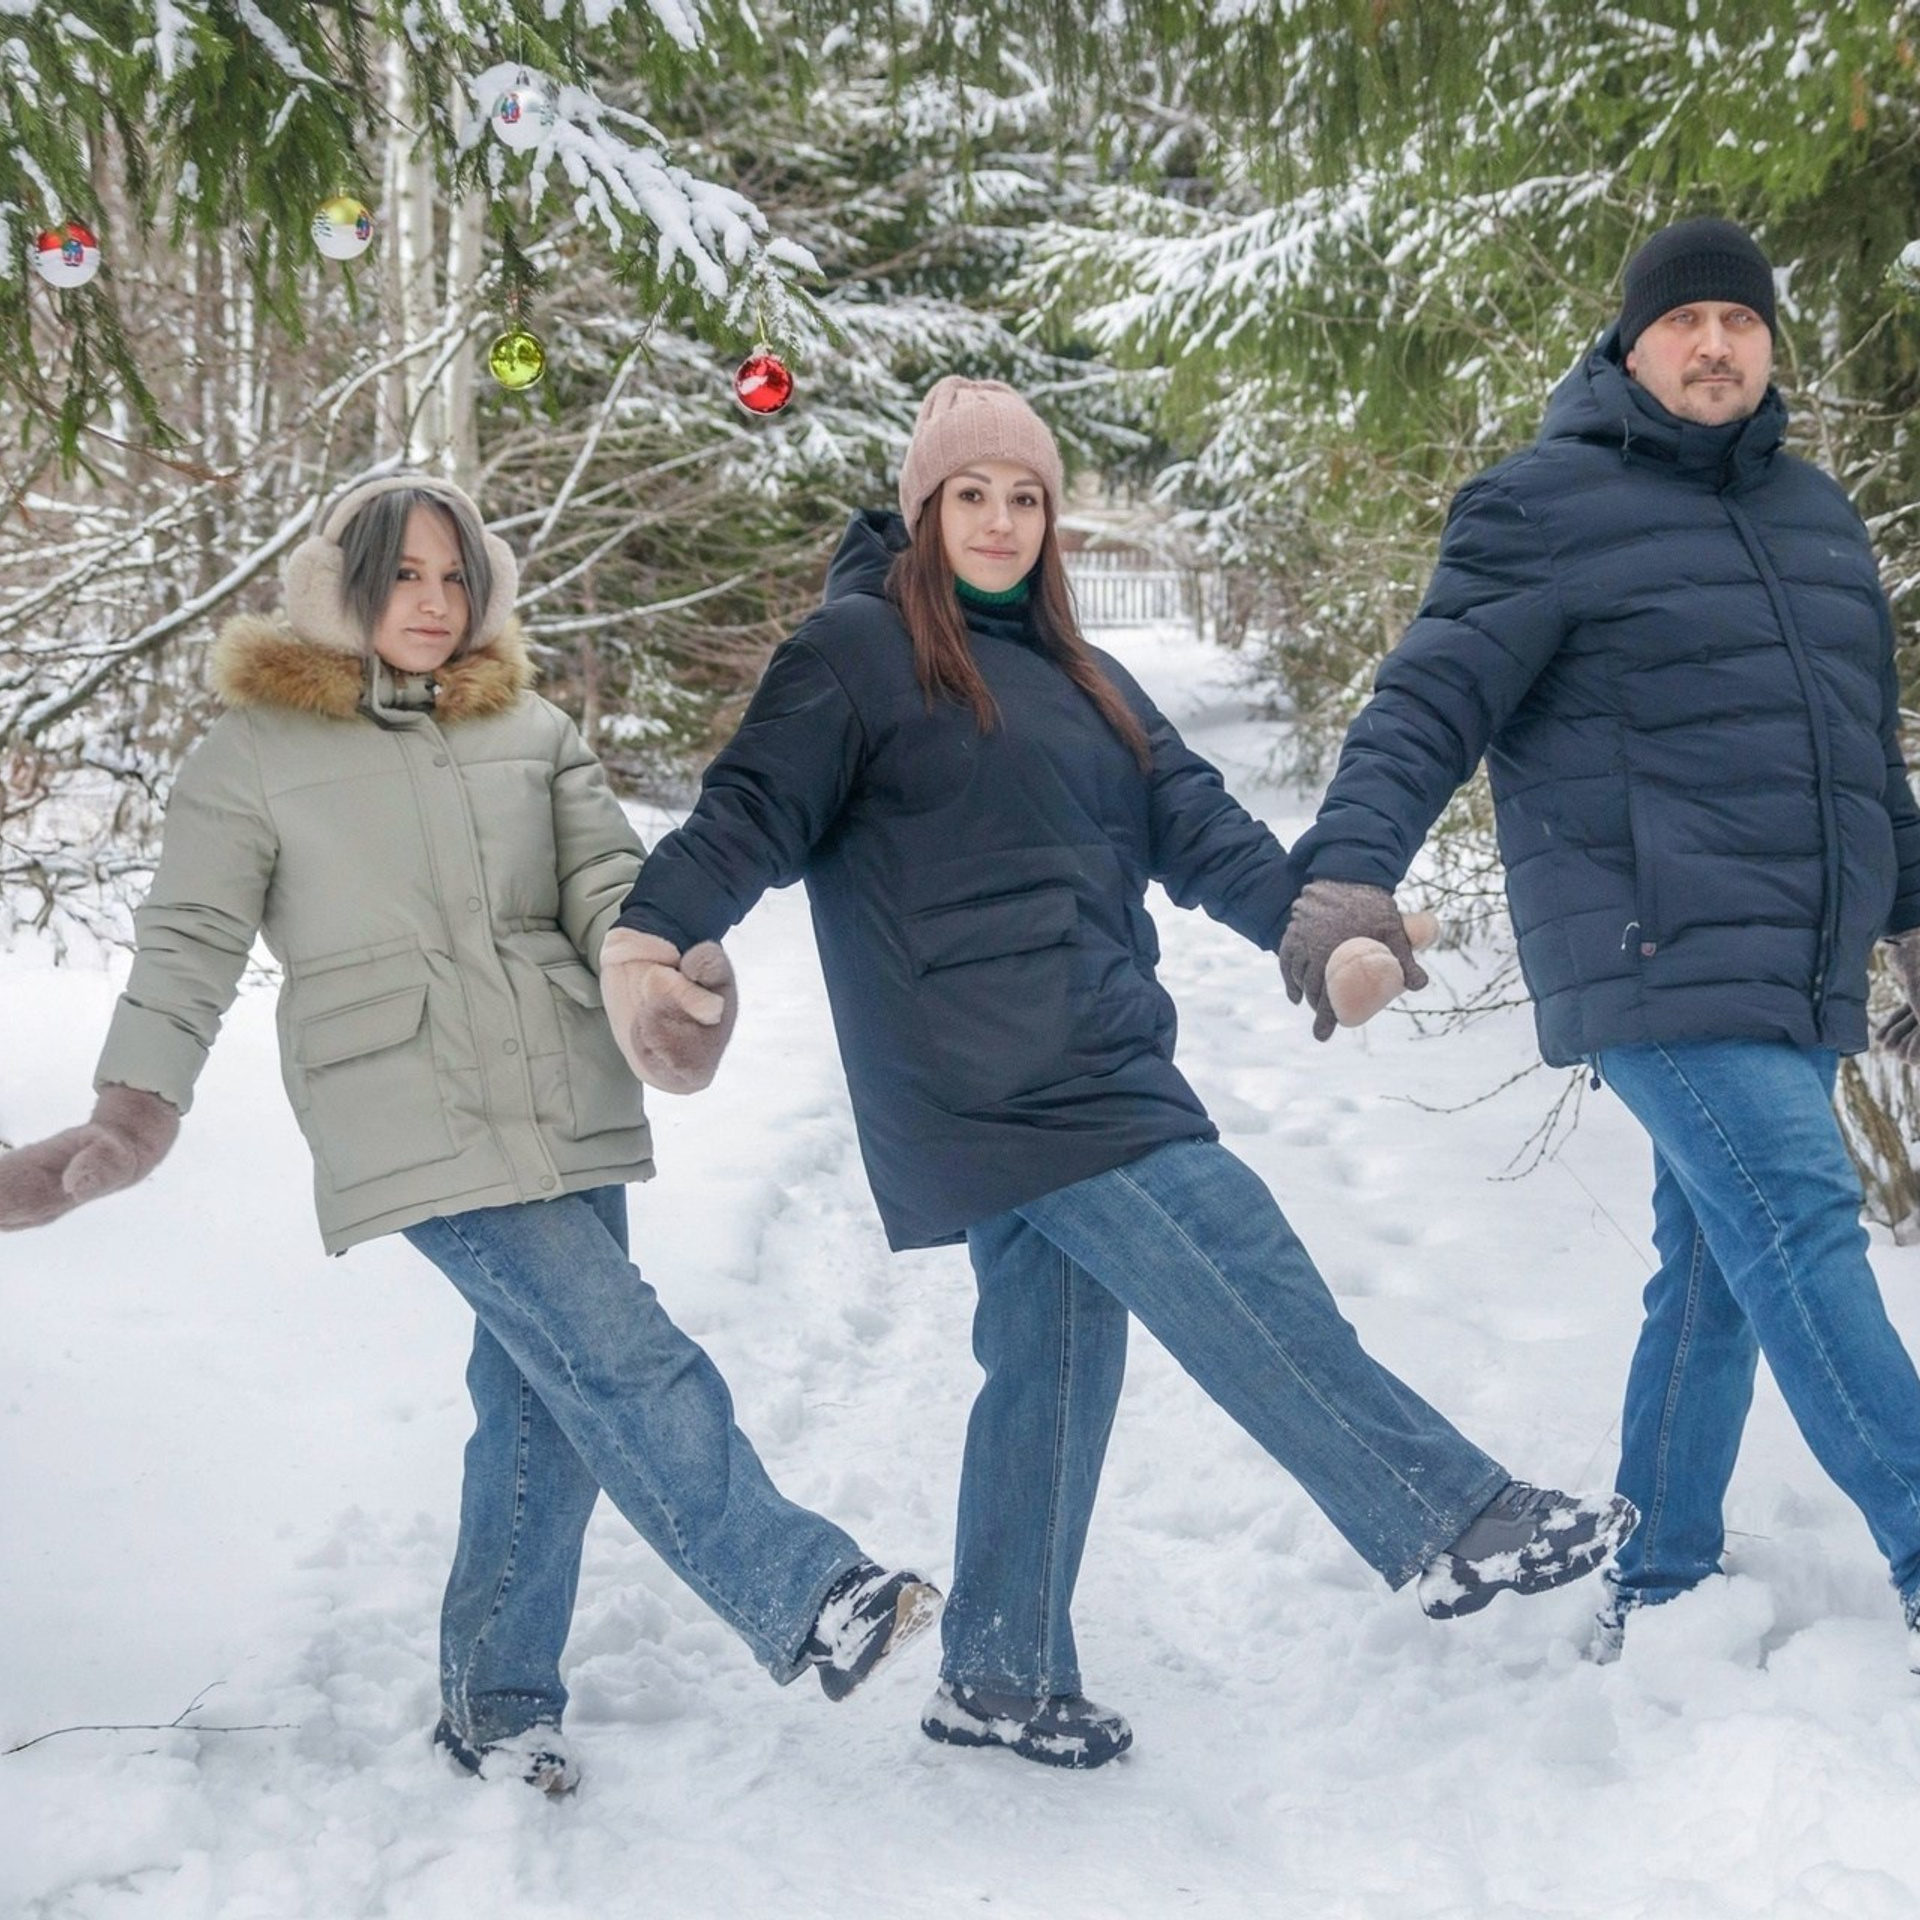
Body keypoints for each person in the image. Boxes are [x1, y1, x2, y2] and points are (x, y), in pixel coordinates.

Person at [597, 376, 1635, 1772]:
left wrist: (1315, 926)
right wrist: (653, 934)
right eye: (973, 494)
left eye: (1026, 498)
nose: (1003, 521)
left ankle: (1004, 1670)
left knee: (1056, 1356)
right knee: (1233, 1246)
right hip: (990, 1062)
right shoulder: (855, 651)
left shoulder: (1086, 674)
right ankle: (1445, 1515)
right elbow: (748, 811)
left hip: (1086, 1038)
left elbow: (1198, 826)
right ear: (924, 510)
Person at [0, 472, 940, 1793]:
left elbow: (613, 889)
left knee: (542, 1409)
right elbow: (191, 941)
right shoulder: (255, 752)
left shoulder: (534, 728)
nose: (433, 603)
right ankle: (811, 1593)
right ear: (347, 587)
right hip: (409, 1105)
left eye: (455, 576)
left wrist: (671, 983)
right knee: (619, 1353)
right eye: (403, 576)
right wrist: (133, 1107)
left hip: (565, 1097)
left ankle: (499, 1709)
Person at [1278, 216, 1920, 1671]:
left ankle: (1664, 1572)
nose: (1713, 346)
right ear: (1629, 347)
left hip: (1790, 962)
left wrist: (1912, 930)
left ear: (1770, 343)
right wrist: (1346, 885)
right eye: (1682, 322)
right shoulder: (1543, 504)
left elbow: (1863, 766)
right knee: (1808, 1226)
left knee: (1718, 1268)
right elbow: (1427, 703)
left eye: (1739, 323)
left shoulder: (1820, 519)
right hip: (1646, 947)